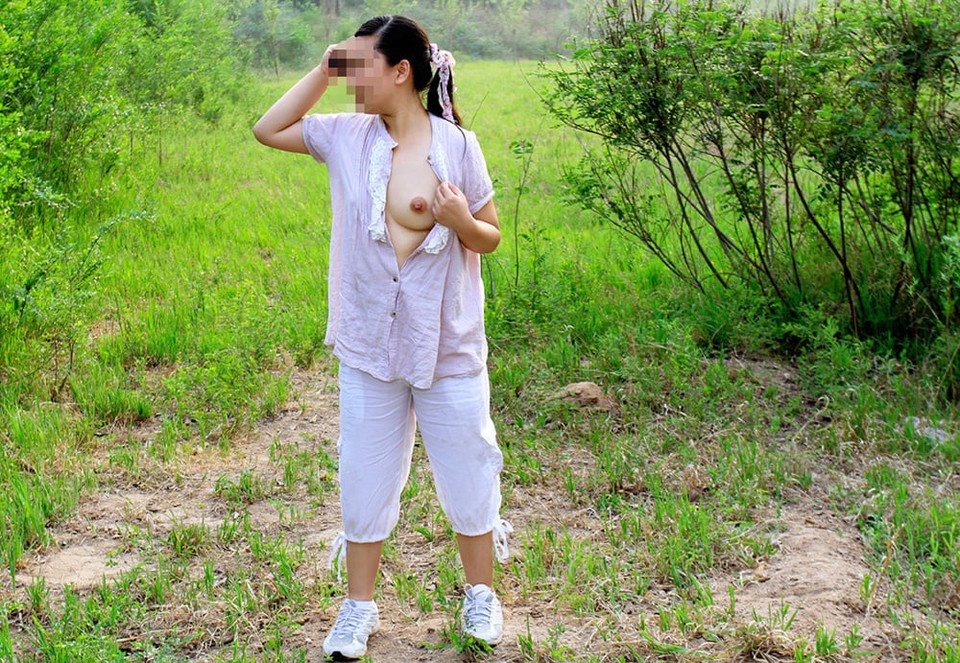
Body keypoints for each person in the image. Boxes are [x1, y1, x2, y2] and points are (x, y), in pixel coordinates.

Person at [252, 15, 511, 660]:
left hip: (447, 343)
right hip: (369, 341)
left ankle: (481, 594)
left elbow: (489, 237)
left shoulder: (458, 146)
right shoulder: (346, 137)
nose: (350, 79)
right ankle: (357, 607)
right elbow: (267, 129)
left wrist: (460, 220)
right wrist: (325, 66)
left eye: (360, 65)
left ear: (400, 71)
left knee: (468, 466)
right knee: (364, 473)